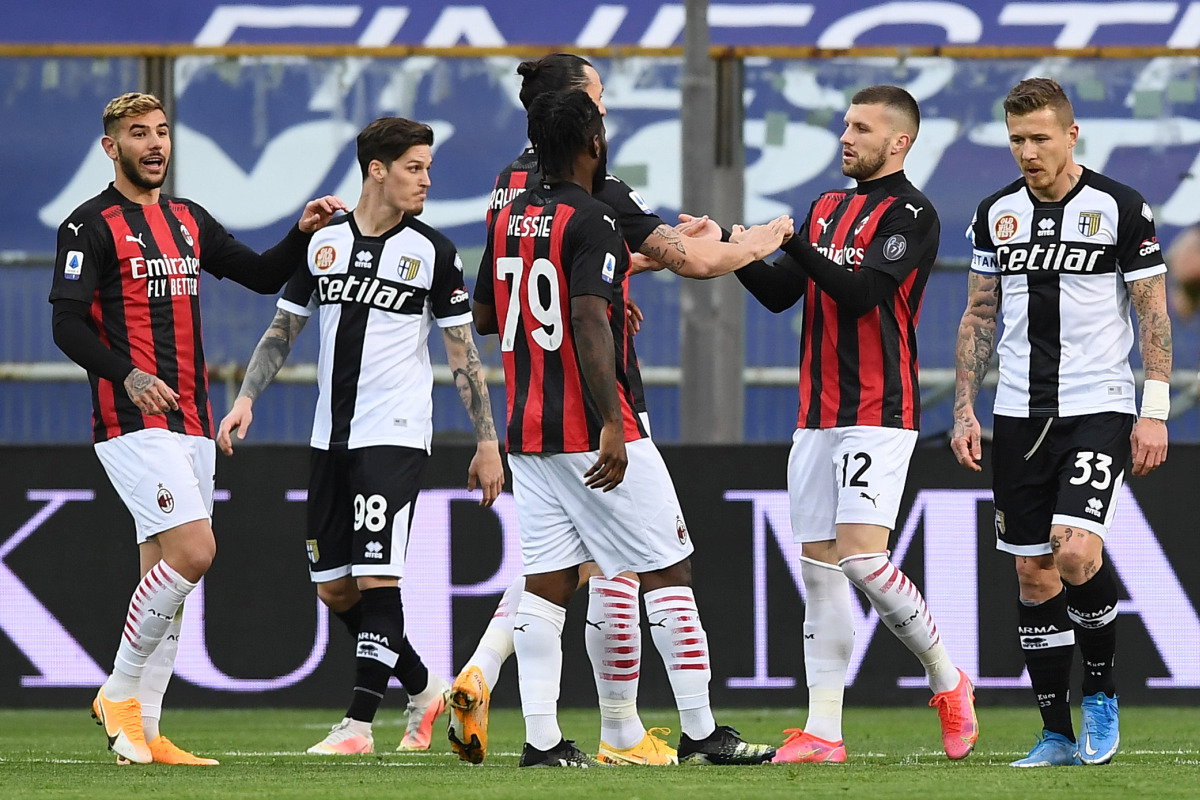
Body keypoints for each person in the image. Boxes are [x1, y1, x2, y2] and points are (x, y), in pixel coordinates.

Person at [448, 52, 790, 766]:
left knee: (546, 586)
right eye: (600, 106)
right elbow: (592, 315)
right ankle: (701, 733)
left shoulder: (506, 207)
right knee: (668, 568)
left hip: (528, 428)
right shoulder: (598, 211)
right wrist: (762, 239)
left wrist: (599, 281)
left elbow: (485, 312)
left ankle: (543, 741)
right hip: (594, 421)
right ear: (591, 139)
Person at [48, 92, 345, 766]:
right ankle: (117, 691)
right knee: (195, 551)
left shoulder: (187, 219)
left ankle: (145, 734)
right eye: (137, 134)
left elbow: (261, 274)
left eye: (161, 132)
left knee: (167, 579)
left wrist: (301, 233)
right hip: (131, 421)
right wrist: (126, 375)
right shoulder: (87, 225)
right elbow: (65, 323)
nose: (154, 144)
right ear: (111, 148)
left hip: (191, 420)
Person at [215, 117, 505, 755]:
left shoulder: (434, 252)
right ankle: (426, 689)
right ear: (377, 170)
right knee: (335, 587)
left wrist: (487, 440)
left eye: (428, 168)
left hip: (394, 434)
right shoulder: (324, 243)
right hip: (330, 437)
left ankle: (357, 726)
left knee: (377, 579)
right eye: (414, 168)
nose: (426, 180)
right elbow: (283, 329)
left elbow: (462, 352)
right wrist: (246, 399)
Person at [735, 85, 979, 764]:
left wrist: (790, 240)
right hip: (815, 416)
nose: (846, 137)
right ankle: (824, 732)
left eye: (862, 128)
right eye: (846, 125)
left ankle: (948, 678)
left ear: (899, 142)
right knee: (820, 574)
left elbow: (863, 293)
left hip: (878, 411)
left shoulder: (912, 213)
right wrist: (738, 250)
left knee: (863, 559)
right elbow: (783, 294)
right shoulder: (826, 207)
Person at [952, 77, 1170, 768]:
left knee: (1075, 552)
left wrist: (1154, 411)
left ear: (1071, 135)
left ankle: (1100, 693)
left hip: (1098, 405)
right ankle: (1054, 734)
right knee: (1035, 573)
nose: (1028, 152)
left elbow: (1153, 312)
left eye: (1040, 138)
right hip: (1019, 413)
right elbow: (980, 313)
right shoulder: (995, 213)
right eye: (1016, 139)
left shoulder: (1120, 207)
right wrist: (964, 406)